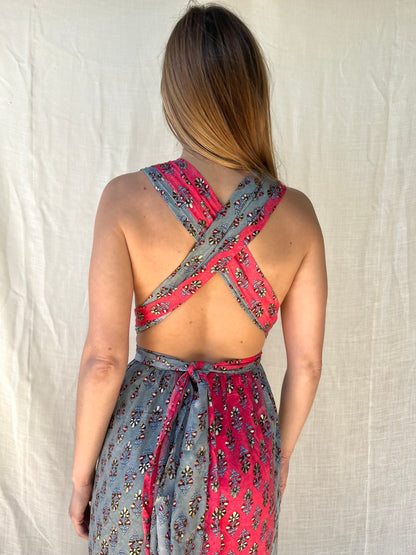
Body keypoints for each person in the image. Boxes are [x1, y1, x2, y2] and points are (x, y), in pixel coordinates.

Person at [68, 3, 327, 554]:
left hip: (142, 443)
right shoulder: (299, 216)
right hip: (243, 449)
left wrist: (81, 477)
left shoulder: (124, 199)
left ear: (174, 97)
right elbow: (306, 366)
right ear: (252, 93)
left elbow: (104, 361)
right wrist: (277, 459)